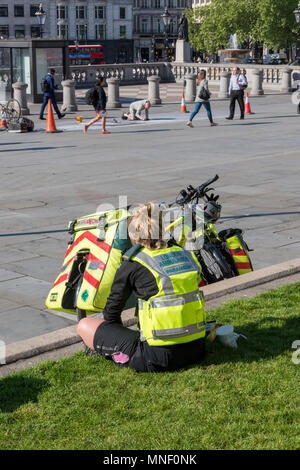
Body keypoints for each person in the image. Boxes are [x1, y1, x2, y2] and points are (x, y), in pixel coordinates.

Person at [77, 203, 206, 373]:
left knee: (84, 325)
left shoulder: (132, 263)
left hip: (158, 357)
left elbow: (111, 312)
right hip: (197, 348)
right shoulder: (184, 254)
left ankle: (119, 353)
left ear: (132, 234)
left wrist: (119, 334)